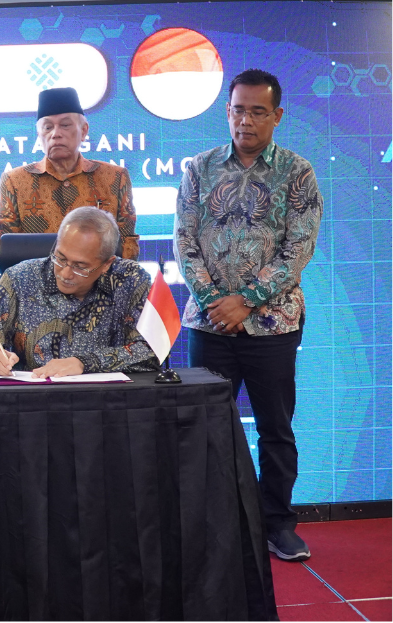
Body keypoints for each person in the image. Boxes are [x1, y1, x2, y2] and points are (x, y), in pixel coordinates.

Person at [174, 68, 322, 562]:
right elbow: (184, 242)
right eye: (239, 109)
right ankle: (212, 528)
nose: (246, 120)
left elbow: (299, 250)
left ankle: (278, 524)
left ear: (276, 116)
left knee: (275, 429)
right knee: (204, 429)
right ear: (228, 110)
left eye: (258, 112)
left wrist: (248, 300)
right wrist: (217, 301)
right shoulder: (199, 168)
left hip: (272, 325)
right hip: (210, 324)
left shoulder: (297, 172)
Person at [0, 207, 158, 376]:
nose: (65, 273)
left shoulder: (131, 279)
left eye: (80, 266)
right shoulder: (19, 278)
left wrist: (85, 363)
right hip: (33, 400)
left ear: (106, 264)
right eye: (60, 258)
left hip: (106, 402)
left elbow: (151, 351)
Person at [0, 87, 139, 259]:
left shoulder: (114, 178)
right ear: (39, 134)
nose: (55, 134)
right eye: (47, 127)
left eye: (65, 125)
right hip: (35, 284)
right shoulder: (14, 181)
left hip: (101, 283)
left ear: (83, 131)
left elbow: (128, 244)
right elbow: (6, 249)